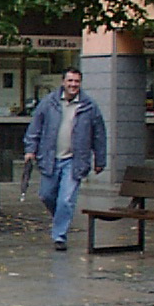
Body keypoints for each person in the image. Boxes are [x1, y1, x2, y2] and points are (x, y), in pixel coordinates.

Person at [22, 68, 107, 251]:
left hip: (75, 160)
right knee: (46, 195)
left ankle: (59, 236)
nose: (73, 85)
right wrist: (30, 150)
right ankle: (61, 219)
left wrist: (100, 160)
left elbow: (99, 135)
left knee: (66, 200)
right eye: (70, 81)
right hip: (50, 158)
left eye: (76, 81)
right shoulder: (48, 103)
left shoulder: (89, 106)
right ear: (63, 82)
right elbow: (35, 128)